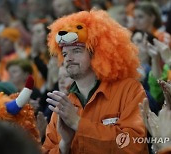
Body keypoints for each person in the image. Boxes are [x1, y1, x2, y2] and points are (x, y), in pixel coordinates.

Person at [43, 10, 148, 153]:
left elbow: (134, 145)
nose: (68, 58)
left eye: (77, 50)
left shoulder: (129, 90)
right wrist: (64, 145)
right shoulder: (63, 105)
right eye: (65, 53)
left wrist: (77, 123)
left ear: (98, 53)